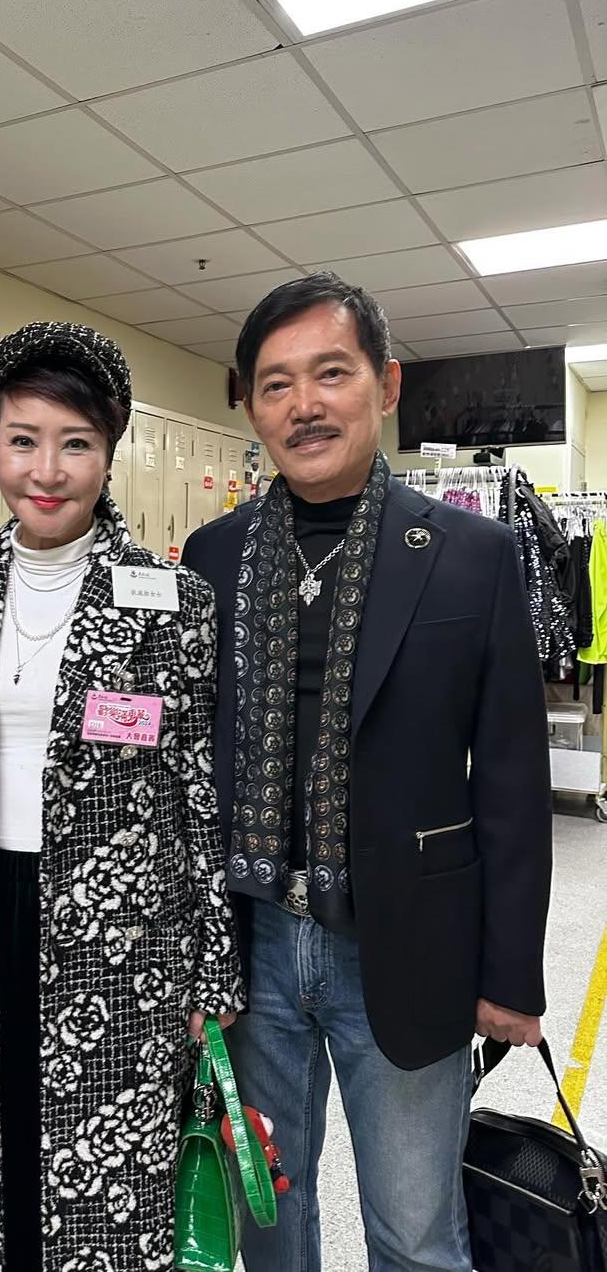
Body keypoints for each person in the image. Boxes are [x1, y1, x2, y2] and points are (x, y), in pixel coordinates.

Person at [181, 272, 552, 1272]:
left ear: (385, 386)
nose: (304, 405)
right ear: (251, 405)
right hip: (252, 943)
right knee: (267, 1219)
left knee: (415, 1231)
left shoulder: (473, 555)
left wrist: (510, 974)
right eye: (276, 384)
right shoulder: (212, 558)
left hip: (408, 941)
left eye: (331, 374)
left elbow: (511, 778)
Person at [0, 321, 243, 1272]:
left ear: (110, 450)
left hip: (124, 941)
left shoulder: (172, 600)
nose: (46, 471)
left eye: (76, 443)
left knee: (105, 1179)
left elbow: (196, 792)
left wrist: (211, 970)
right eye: (23, 440)